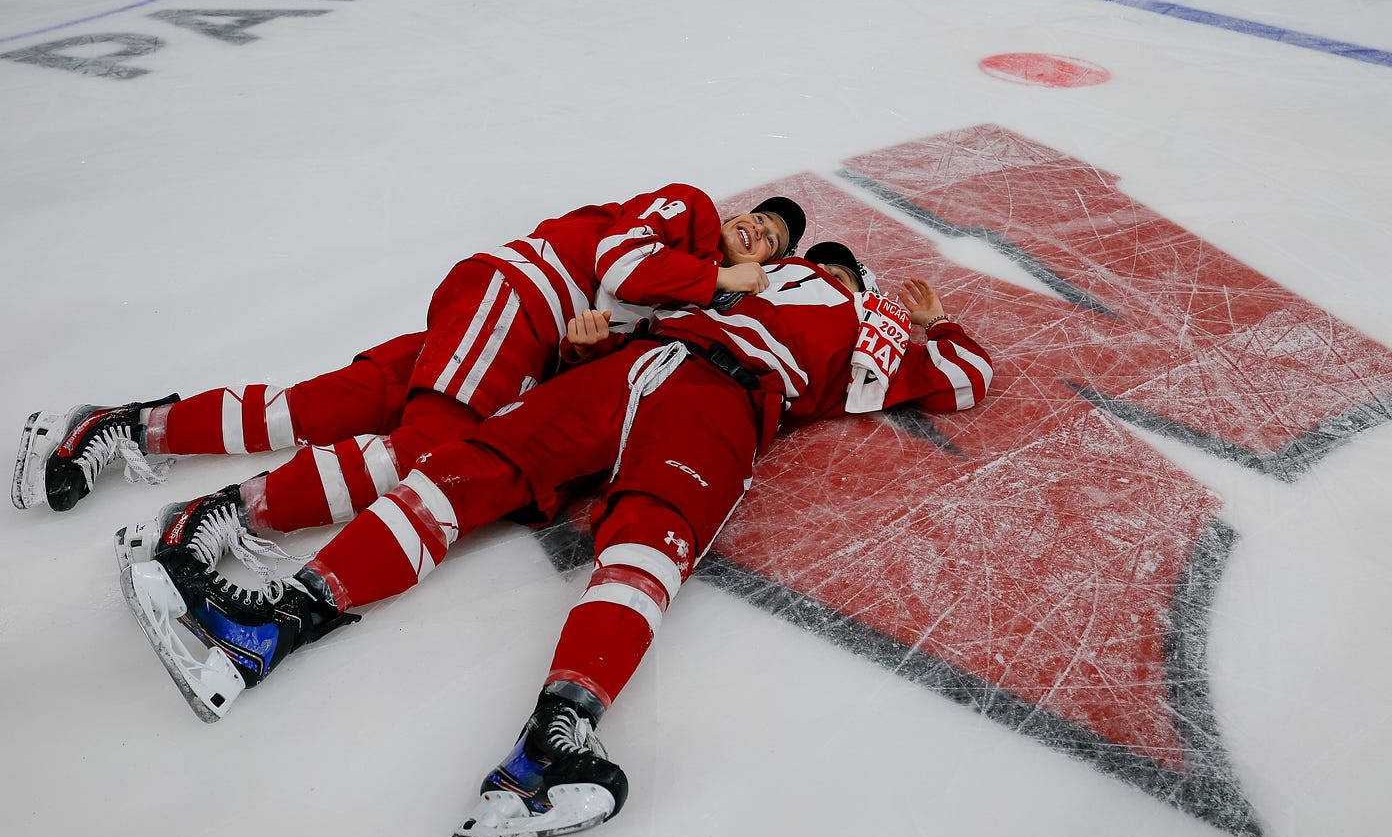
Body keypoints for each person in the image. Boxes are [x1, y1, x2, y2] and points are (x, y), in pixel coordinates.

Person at [120, 241, 993, 837]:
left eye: (834, 264)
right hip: (636, 365)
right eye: (816, 260)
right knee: (468, 469)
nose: (820, 267)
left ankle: (552, 746)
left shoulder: (862, 328)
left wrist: (934, 325)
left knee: (647, 544)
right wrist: (594, 342)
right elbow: (638, 294)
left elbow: (965, 376)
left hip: (724, 401)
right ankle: (270, 625)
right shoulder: (736, 287)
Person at [12, 186, 805, 562]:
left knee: (315, 408)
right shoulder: (692, 216)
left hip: (512, 336)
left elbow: (591, 337)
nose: (752, 230)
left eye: (765, 241)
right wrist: (719, 280)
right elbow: (616, 258)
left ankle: (120, 424)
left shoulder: (682, 296)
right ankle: (218, 518)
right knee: (433, 449)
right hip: (512, 302)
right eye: (757, 216)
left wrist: (589, 344)